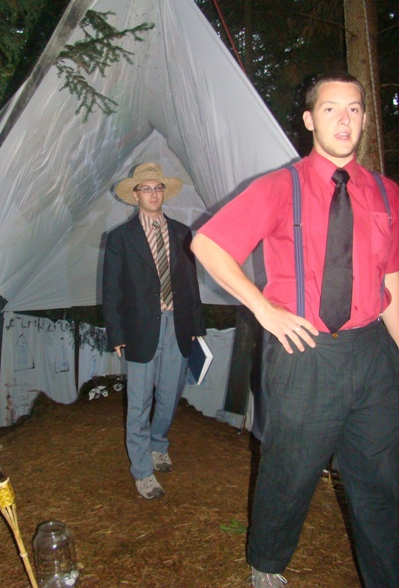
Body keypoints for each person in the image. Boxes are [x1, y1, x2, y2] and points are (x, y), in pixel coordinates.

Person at [191, 73, 399, 587]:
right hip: (303, 352)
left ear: (365, 119)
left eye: (354, 109)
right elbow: (208, 245)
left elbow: (393, 278)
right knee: (290, 471)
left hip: (373, 352)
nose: (344, 120)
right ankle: (266, 566)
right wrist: (263, 309)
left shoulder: (387, 193)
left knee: (384, 482)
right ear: (309, 120)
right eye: (330, 109)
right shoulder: (280, 186)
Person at [103, 162, 206, 500]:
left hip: (178, 324)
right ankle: (142, 471)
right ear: (135, 195)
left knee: (170, 394)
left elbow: (190, 282)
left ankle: (158, 444)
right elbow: (112, 290)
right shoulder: (120, 237)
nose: (153, 193)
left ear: (164, 193)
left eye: (157, 188)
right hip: (139, 329)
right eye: (146, 188)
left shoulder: (182, 233)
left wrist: (196, 324)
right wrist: (116, 334)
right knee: (139, 401)